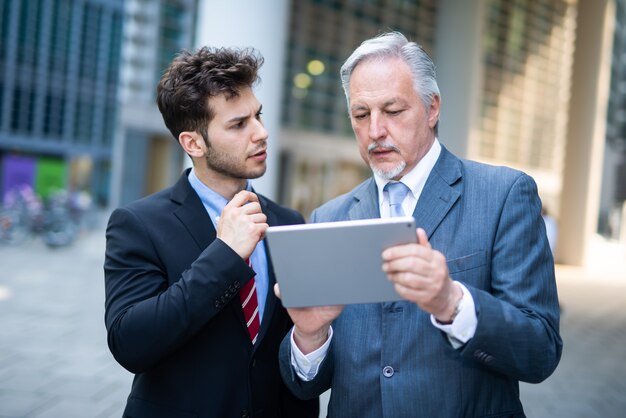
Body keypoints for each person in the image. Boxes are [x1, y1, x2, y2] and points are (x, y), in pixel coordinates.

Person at [277, 32, 562, 417]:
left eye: (393, 111)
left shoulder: (504, 195)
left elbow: (540, 351)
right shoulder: (329, 217)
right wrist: (310, 336)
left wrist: (452, 302)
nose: (375, 130)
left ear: (432, 108)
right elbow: (306, 384)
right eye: (361, 115)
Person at [104, 46, 319, 418]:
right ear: (193, 143)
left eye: (258, 116)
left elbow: (296, 346)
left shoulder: (289, 221)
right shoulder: (138, 224)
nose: (262, 133)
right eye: (239, 124)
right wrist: (225, 254)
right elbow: (130, 344)